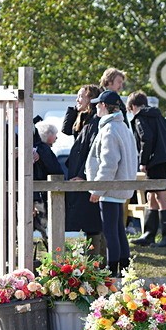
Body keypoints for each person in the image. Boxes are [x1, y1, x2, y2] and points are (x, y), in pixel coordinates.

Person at [85, 89, 138, 277]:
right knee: (118, 231)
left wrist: (98, 188)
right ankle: (124, 270)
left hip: (110, 188)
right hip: (120, 187)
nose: (96, 107)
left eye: (98, 104)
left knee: (110, 232)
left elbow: (108, 164)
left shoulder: (109, 129)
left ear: (104, 106)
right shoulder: (122, 127)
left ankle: (112, 270)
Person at [128, 92, 166, 248]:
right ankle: (149, 234)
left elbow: (146, 138)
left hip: (155, 161)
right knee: (151, 195)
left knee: (161, 195)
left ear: (133, 107)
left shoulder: (140, 118)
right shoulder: (159, 117)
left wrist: (143, 161)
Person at [63, 84, 105, 260]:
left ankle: (95, 259)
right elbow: (66, 129)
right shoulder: (83, 119)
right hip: (77, 171)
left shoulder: (95, 121)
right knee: (82, 219)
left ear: (91, 99)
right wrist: (76, 107)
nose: (77, 100)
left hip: (85, 175)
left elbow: (92, 152)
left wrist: (83, 175)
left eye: (81, 96)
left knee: (90, 219)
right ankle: (87, 257)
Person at [32, 120, 65, 243]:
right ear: (49, 135)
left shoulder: (36, 148)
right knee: (43, 224)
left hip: (37, 192)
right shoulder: (43, 149)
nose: (56, 138)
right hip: (41, 193)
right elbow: (55, 169)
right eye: (55, 135)